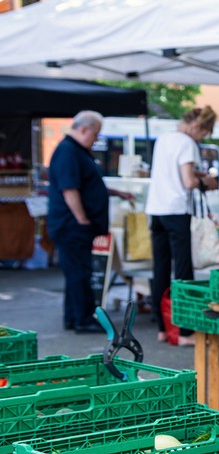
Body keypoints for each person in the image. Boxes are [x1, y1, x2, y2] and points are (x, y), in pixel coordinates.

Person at [47, 111, 135, 332]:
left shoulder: (77, 151)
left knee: (76, 272)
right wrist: (82, 219)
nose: (96, 139)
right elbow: (70, 189)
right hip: (72, 226)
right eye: (95, 134)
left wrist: (116, 193)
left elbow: (89, 186)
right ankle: (83, 319)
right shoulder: (68, 151)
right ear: (83, 129)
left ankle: (73, 317)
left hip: (75, 224)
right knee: (79, 272)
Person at [145, 106, 219, 346]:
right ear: (197, 126)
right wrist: (205, 180)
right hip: (177, 211)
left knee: (161, 271)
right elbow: (187, 181)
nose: (203, 138)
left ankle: (162, 329)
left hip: (156, 210)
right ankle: (186, 332)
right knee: (184, 272)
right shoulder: (187, 143)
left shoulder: (164, 139)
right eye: (205, 133)